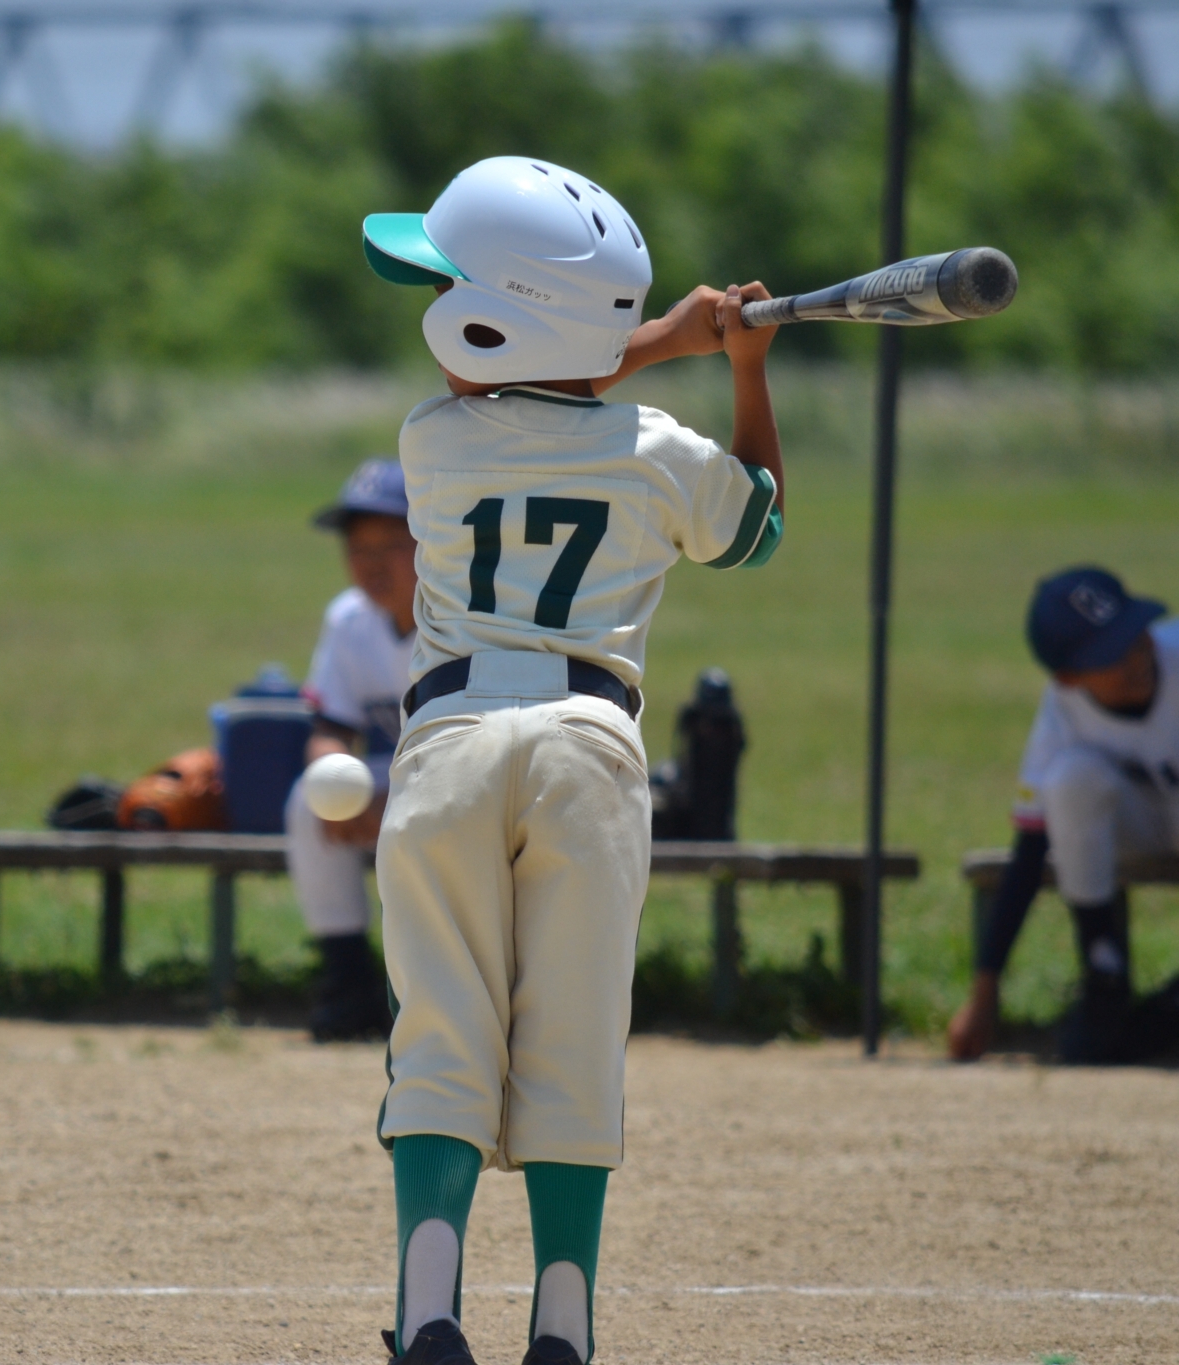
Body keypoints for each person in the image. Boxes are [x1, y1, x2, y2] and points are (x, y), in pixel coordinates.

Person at [360, 157, 783, 1365]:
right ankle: (562, 1328)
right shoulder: (660, 451)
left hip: (446, 747)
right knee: (572, 1041)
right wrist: (735, 366)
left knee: (443, 1034)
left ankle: (429, 1315)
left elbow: (531, 372)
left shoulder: (428, 437)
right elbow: (758, 523)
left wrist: (655, 339)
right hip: (587, 753)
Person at [949, 567, 1179, 1065]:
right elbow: (1030, 850)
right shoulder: (1061, 712)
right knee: (1070, 780)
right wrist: (985, 990)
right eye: (1109, 654)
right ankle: (1104, 978)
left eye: (1133, 633)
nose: (1134, 656)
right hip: (1132, 820)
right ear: (1069, 678)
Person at [287, 457, 417, 1042]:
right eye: (357, 548)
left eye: (391, 543)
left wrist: (388, 795)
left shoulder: (465, 620)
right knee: (303, 801)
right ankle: (347, 979)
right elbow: (330, 727)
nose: (370, 563)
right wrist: (329, 778)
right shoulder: (349, 620)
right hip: (389, 780)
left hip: (464, 780)